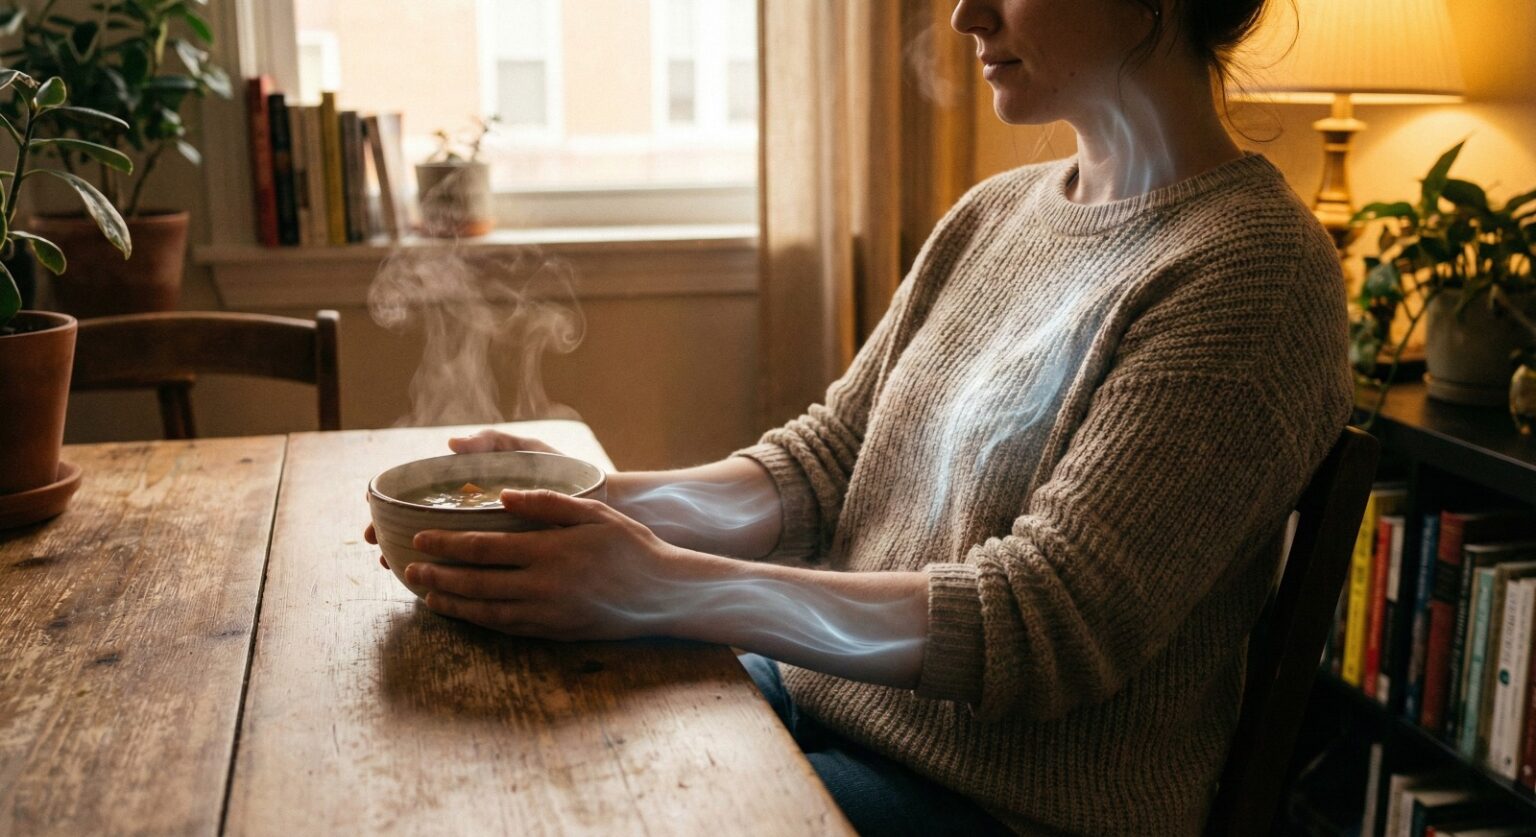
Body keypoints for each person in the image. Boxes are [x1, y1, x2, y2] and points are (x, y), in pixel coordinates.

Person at [365, 0, 1352, 833]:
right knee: (498, 761)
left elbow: (1041, 624)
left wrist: (661, 588)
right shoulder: (998, 214)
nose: (965, 15)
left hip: (994, 808)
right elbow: (828, 464)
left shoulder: (1252, 276)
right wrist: (583, 502)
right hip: (820, 710)